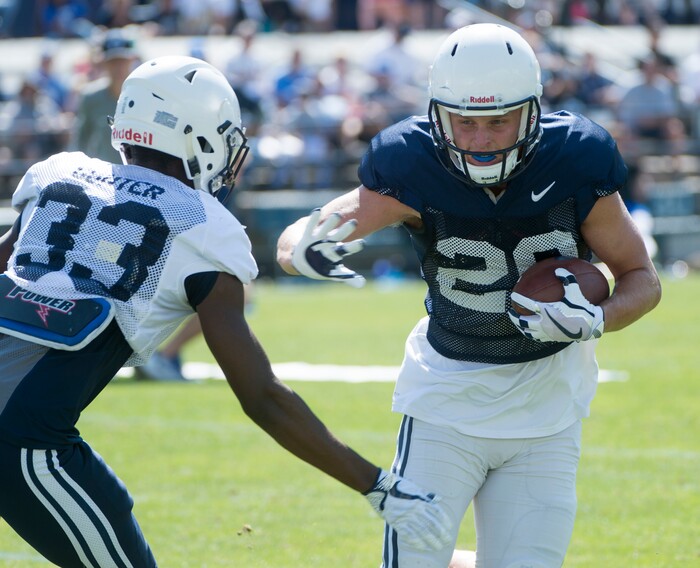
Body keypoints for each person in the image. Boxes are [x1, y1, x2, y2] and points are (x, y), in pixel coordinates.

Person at [0, 55, 452, 567]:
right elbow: (261, 396)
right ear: (201, 137)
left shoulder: (58, 175)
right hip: (21, 442)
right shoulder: (203, 225)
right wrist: (376, 485)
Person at [277, 23, 662, 568]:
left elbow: (641, 277)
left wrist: (598, 318)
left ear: (530, 113)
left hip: (547, 406)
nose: (479, 139)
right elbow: (301, 236)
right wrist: (304, 252)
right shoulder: (412, 162)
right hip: (445, 402)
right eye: (464, 122)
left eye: (497, 121)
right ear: (439, 116)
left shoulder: (575, 157)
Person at [69, 27, 140, 163]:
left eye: (122, 61)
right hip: (105, 177)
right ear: (103, 63)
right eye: (113, 62)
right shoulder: (91, 97)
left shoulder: (143, 95)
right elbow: (81, 141)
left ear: (131, 60)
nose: (118, 67)